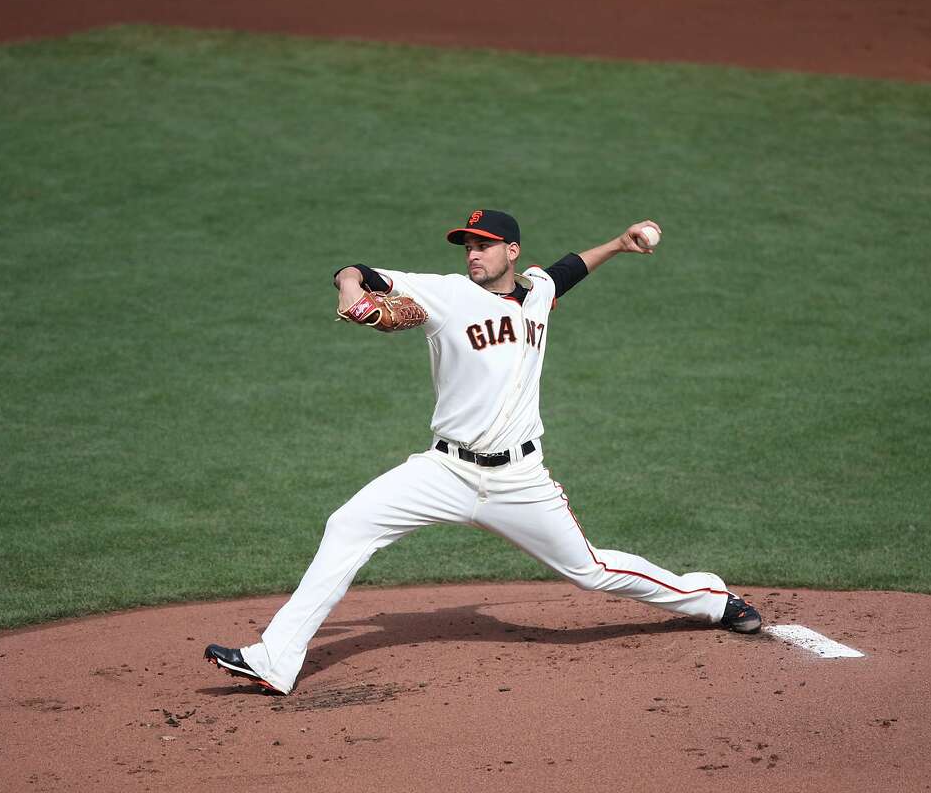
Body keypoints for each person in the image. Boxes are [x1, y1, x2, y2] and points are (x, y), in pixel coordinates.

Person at [205, 209, 761, 694]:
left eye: (484, 244)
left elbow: (566, 271)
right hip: (443, 470)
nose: (473, 253)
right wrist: (349, 283)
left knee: (590, 571)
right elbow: (364, 274)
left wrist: (618, 243)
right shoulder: (446, 293)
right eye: (468, 244)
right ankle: (275, 659)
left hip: (520, 480)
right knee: (348, 524)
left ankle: (709, 598)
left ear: (511, 252)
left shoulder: (538, 290)